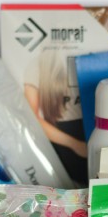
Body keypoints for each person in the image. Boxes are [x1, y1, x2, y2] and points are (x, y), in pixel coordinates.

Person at [24, 49, 88, 186]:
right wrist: (75, 145)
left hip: (92, 128)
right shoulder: (38, 65)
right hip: (61, 137)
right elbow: (31, 118)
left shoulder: (90, 55)